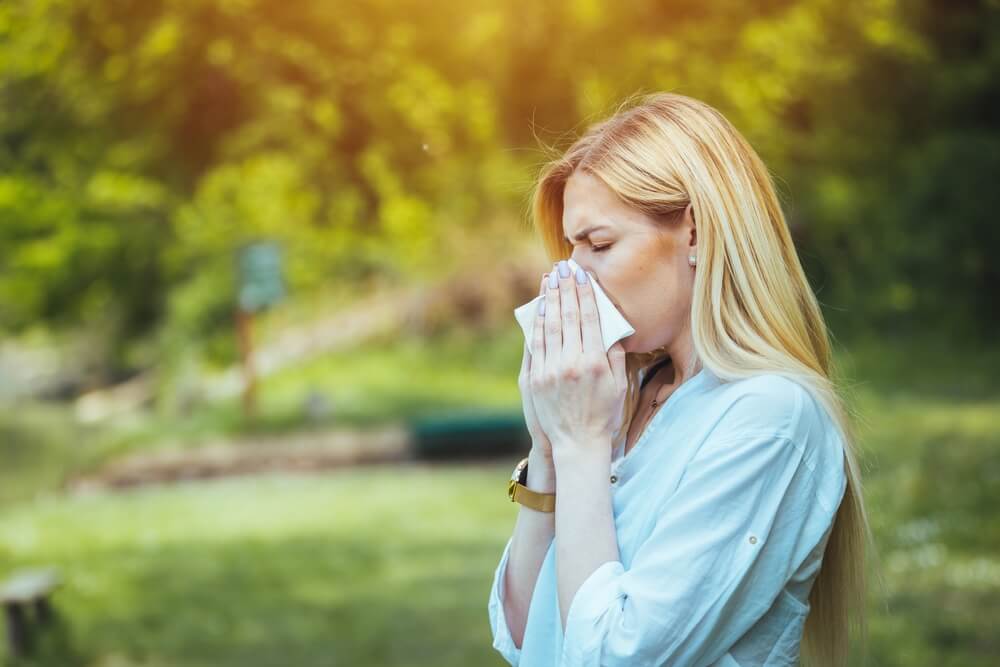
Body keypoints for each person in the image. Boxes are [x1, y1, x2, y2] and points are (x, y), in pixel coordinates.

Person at [487, 92, 872, 667]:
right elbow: (521, 637)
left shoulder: (769, 418)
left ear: (694, 232)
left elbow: (614, 657)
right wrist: (547, 448)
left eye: (599, 244)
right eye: (570, 249)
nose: (572, 275)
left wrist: (580, 445)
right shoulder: (622, 395)